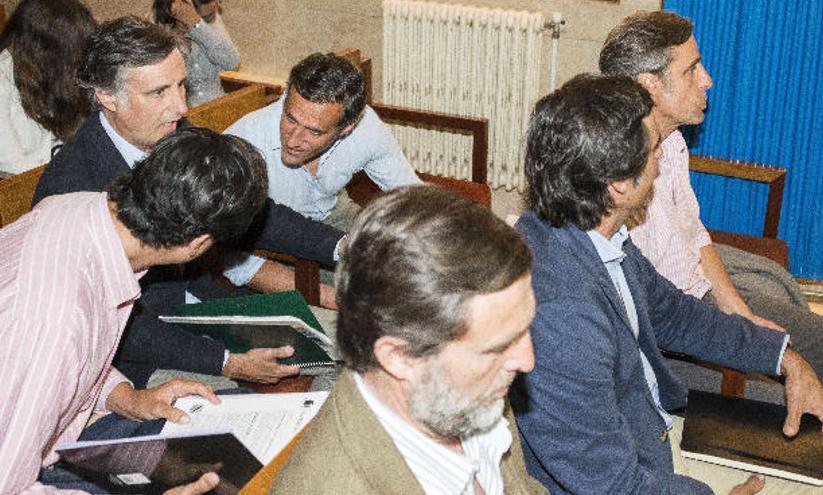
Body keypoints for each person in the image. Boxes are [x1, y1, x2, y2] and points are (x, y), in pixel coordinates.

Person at [510, 74, 823, 494]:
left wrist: (784, 357)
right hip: (642, 473)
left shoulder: (588, 233)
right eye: (653, 147)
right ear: (619, 186)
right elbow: (609, 482)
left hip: (649, 437)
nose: (662, 157)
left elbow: (679, 315)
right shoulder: (562, 312)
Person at [32, 16, 342, 388]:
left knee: (353, 344)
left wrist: (344, 246)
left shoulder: (170, 134)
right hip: (140, 356)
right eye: (159, 92)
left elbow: (255, 213)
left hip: (209, 308)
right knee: (288, 399)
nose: (180, 107)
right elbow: (109, 324)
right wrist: (226, 362)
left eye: (181, 85)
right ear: (106, 95)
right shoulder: (70, 189)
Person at [598, 10, 823, 402]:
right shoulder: (615, 176)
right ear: (649, 84)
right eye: (692, 69)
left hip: (698, 296)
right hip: (665, 337)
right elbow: (641, 314)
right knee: (805, 409)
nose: (708, 81)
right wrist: (738, 341)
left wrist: (738, 310)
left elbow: (695, 233)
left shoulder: (674, 142)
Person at [0, 127, 268, 494]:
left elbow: (69, 361)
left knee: (241, 427)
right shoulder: (58, 324)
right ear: (199, 244)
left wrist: (129, 399)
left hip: (61, 427)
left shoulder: (80, 208)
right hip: (25, 471)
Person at [271, 186, 547, 495]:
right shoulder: (335, 485)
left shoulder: (460, 388)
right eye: (498, 346)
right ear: (400, 357)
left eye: (525, 328)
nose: (527, 360)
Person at [224, 52, 420, 291]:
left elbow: (413, 194)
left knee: (420, 274)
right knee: (377, 297)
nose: (294, 140)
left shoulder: (366, 128)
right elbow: (232, 260)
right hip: (270, 243)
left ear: (347, 128)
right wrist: (332, 298)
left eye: (314, 132)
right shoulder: (243, 145)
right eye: (290, 119)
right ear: (285, 98)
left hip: (333, 213)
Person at [0, 0, 95, 174]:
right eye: (73, 52)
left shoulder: (53, 71)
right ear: (43, 49)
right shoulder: (3, 80)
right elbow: (11, 167)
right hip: (28, 185)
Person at [153, 0, 240, 107]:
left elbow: (232, 62)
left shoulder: (207, 31)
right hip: (184, 115)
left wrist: (197, 26)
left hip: (219, 107)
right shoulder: (162, 41)